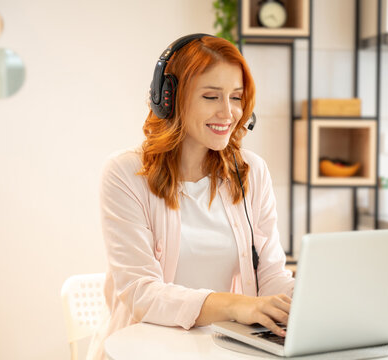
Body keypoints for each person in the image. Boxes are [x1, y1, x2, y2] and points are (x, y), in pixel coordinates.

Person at [87, 34, 295, 360]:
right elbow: (141, 292)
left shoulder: (251, 172)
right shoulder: (125, 173)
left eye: (237, 97)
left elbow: (270, 274)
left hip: (220, 351)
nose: (228, 112)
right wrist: (237, 305)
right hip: (141, 350)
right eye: (211, 96)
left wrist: (308, 300)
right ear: (169, 98)